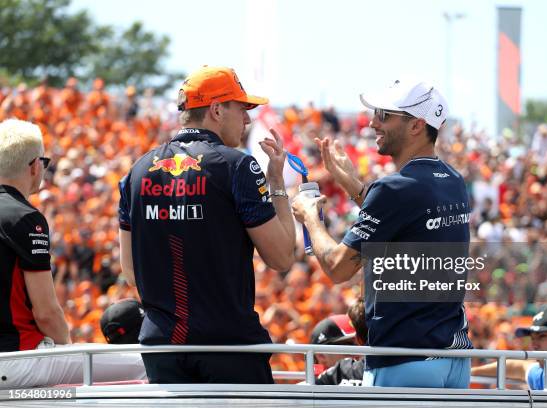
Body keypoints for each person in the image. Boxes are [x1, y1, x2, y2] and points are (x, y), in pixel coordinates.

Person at [118, 65, 296, 384]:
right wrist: (276, 184)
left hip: (162, 349)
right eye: (242, 109)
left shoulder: (137, 171)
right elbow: (281, 257)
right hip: (228, 348)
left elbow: (130, 272)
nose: (247, 120)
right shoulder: (237, 165)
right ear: (216, 109)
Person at [292, 79, 472, 388]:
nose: (373, 122)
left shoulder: (394, 188)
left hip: (406, 361)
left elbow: (338, 267)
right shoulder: (451, 179)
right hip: (453, 360)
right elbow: (403, 219)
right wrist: (354, 185)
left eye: (384, 115)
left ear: (416, 125)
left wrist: (310, 218)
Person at [0, 119, 145, 388]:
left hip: (11, 361)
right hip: (15, 359)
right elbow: (46, 313)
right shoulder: (25, 217)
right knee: (144, 363)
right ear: (35, 166)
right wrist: (66, 348)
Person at [315, 297, 367, 386]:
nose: (357, 351)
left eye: (359, 343)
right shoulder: (309, 385)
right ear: (321, 355)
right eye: (348, 345)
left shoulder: (368, 370)